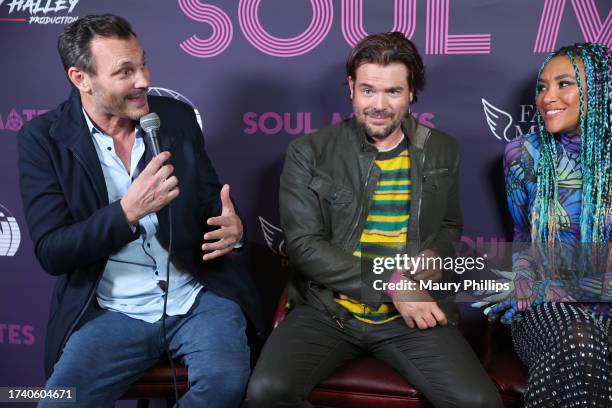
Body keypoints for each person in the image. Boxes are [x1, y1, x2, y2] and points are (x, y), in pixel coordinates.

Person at [18, 14, 263, 407]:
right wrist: (126, 213)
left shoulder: (176, 118)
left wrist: (233, 231)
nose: (144, 80)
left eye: (143, 63)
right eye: (125, 72)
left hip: (196, 298)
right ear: (81, 78)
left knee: (226, 384)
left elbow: (211, 203)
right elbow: (53, 250)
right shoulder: (42, 140)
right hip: (111, 310)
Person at [247, 32, 502, 408]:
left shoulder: (441, 149)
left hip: (411, 316)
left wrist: (436, 253)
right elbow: (303, 247)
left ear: (412, 91)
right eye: (367, 91)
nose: (378, 105)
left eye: (393, 92)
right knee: (266, 392)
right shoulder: (309, 152)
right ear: (351, 87)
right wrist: (393, 283)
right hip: (329, 310)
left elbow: (449, 226)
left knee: (479, 403)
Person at [485, 43, 611, 406]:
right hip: (547, 314)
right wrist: (524, 283)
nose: (547, 97)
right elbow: (524, 238)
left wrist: (550, 288)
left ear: (600, 91)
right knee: (579, 338)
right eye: (542, 87)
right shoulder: (523, 154)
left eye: (564, 84)